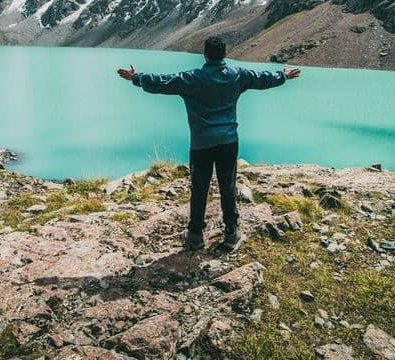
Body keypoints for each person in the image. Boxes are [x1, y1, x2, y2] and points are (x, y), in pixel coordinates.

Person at [117, 36, 300, 250]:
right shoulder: (237, 75)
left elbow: (162, 82)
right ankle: (231, 232)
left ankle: (195, 235)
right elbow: (261, 78)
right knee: (228, 186)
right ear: (225, 54)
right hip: (228, 141)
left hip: (201, 143)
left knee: (199, 188)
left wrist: (136, 77)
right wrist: (282, 76)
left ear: (205, 55)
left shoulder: (191, 78)